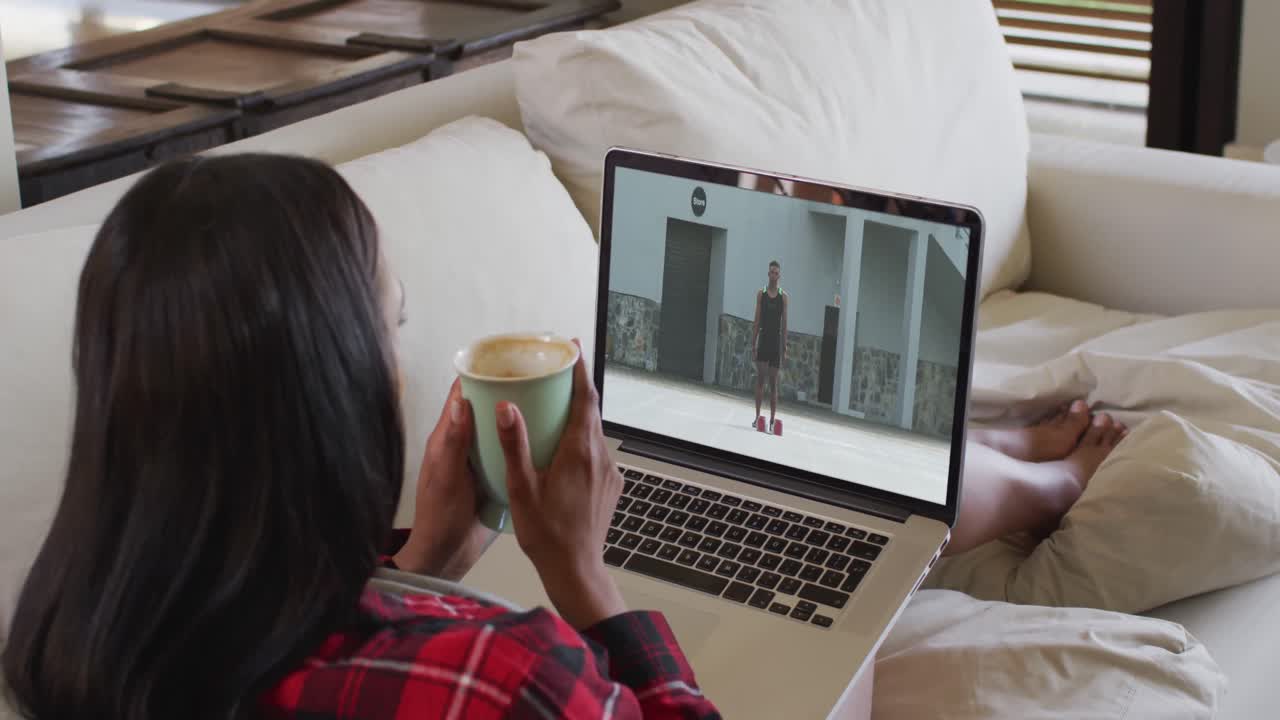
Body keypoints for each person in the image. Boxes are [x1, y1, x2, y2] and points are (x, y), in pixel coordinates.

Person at [0, 155, 722, 720]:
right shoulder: (509, 680)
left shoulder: (63, 647)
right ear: (339, 383)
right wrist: (586, 579)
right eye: (391, 326)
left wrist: (420, 564)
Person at [750, 260, 788, 435]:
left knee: (773, 384)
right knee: (760, 381)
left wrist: (784, 348)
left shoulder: (784, 297)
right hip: (764, 340)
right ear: (768, 274)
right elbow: (757, 320)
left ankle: (772, 421)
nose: (773, 275)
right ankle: (758, 418)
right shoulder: (761, 294)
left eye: (776, 273)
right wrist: (753, 342)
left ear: (779, 276)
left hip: (775, 343)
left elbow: (785, 325)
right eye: (771, 272)